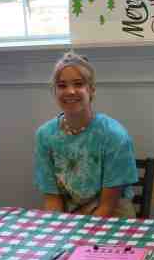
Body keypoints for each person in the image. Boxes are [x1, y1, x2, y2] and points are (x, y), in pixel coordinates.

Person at [34, 51, 139, 217]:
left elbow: (107, 207)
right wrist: (58, 231)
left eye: (78, 84)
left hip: (112, 218)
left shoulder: (114, 136)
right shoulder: (45, 136)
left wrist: (80, 240)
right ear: (54, 91)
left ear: (91, 89)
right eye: (62, 85)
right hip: (68, 220)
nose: (70, 91)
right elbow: (52, 200)